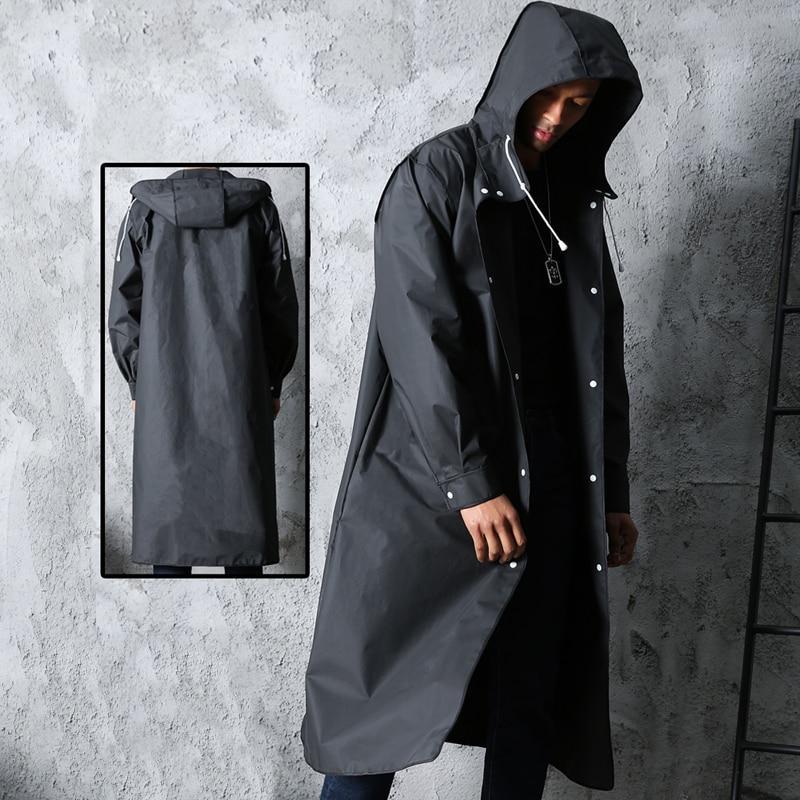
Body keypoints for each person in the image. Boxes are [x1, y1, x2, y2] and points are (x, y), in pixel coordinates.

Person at [302, 3, 644, 797]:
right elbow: (421, 340)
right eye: (551, 95)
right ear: (519, 81)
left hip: (550, 486)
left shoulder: (570, 198)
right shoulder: (434, 176)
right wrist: (472, 482)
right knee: (376, 711)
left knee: (527, 705)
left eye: (580, 106)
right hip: (433, 489)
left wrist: (612, 492)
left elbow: (599, 351)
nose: (558, 118)